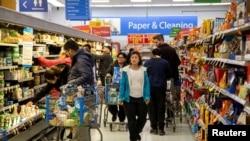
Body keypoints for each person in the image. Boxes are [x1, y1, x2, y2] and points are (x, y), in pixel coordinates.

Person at [63, 39, 95, 141]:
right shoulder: (81, 57)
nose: (67, 54)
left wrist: (71, 83)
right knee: (79, 124)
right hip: (82, 95)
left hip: (84, 96)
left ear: (71, 50)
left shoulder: (81, 59)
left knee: (81, 125)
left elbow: (86, 75)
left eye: (67, 52)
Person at [118, 51, 150, 141]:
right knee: (131, 120)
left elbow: (147, 84)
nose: (134, 59)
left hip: (141, 98)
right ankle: (133, 138)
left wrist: (147, 96)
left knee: (143, 118)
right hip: (129, 99)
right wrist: (120, 97)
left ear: (139, 59)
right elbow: (122, 84)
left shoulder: (143, 70)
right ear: (129, 59)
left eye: (136, 57)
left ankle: (135, 133)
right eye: (132, 57)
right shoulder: (125, 70)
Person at [144, 48, 172, 135]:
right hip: (161, 87)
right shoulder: (165, 62)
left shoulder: (147, 63)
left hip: (150, 87)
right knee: (161, 107)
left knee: (151, 108)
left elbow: (144, 75)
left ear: (152, 54)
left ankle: (154, 127)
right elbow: (169, 75)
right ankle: (161, 129)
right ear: (161, 54)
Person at [153, 34, 181, 119]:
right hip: (173, 77)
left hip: (162, 78)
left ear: (161, 40)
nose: (155, 43)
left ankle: (161, 115)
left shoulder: (158, 51)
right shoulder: (172, 50)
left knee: (162, 97)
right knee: (171, 97)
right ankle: (170, 115)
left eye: (156, 41)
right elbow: (178, 62)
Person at [106, 52, 127, 122]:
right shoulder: (112, 65)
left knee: (123, 104)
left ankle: (122, 118)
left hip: (124, 88)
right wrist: (108, 74)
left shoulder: (127, 67)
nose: (120, 59)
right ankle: (114, 113)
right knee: (111, 103)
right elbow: (108, 72)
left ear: (125, 59)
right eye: (119, 57)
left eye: (122, 57)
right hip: (114, 86)